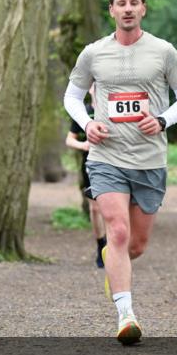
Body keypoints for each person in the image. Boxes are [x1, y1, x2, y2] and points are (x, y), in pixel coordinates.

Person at [63, 0, 177, 345]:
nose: (127, 9)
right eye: (120, 3)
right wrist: (87, 123)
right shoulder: (93, 53)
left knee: (135, 245)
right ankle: (126, 316)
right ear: (111, 10)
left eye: (134, 2)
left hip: (150, 159)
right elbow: (72, 96)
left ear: (143, 8)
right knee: (117, 231)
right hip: (106, 157)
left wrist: (164, 119)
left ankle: (114, 260)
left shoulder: (163, 51)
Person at [66, 85, 107, 269]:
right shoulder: (83, 113)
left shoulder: (112, 110)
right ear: (89, 89)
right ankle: (101, 246)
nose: (96, 89)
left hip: (113, 163)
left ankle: (116, 247)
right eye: (93, 86)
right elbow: (69, 139)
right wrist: (83, 145)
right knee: (96, 209)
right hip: (89, 165)